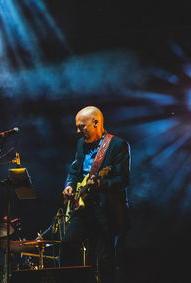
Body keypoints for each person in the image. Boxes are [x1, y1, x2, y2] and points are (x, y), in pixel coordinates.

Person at [61, 106, 130, 283]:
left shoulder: (118, 145)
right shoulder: (81, 145)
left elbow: (123, 180)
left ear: (96, 123)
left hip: (106, 209)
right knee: (68, 246)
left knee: (104, 258)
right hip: (82, 207)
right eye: (77, 126)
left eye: (82, 126)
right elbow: (75, 169)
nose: (78, 131)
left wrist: (100, 183)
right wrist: (69, 185)